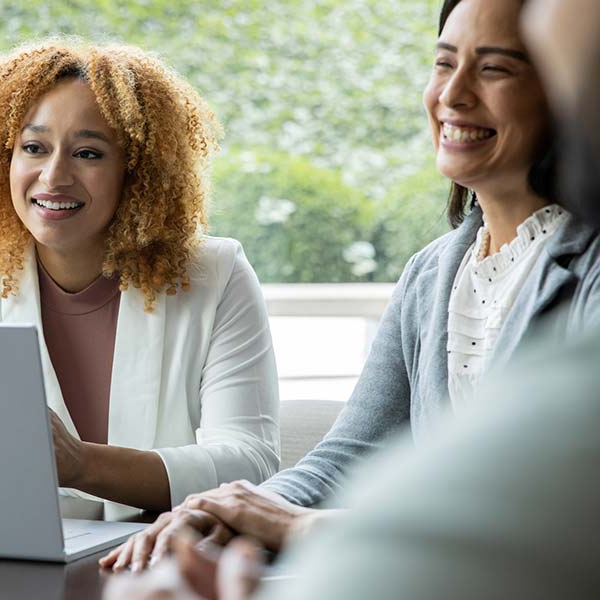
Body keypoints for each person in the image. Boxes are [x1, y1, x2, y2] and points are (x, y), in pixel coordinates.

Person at [107, 0, 600, 597]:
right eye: (444, 64)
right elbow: (346, 458)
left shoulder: (589, 268)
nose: (454, 94)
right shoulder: (432, 273)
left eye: (495, 69)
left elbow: (545, 521)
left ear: (568, 90)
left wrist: (297, 524)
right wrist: (221, 510)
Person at [0, 40, 279, 519]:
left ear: (136, 171)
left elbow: (251, 465)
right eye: (33, 147)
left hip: (166, 575)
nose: (54, 176)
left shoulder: (216, 277)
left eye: (88, 153)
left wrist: (79, 464)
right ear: (3, 161)